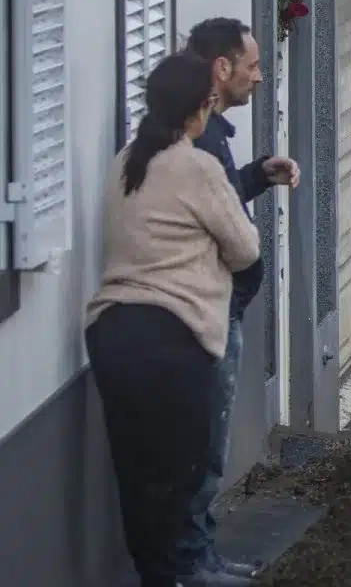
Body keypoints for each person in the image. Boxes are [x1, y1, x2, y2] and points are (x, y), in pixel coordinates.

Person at [88, 53, 262, 587]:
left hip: (112, 332)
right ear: (202, 106)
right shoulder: (197, 165)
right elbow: (246, 247)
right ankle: (184, 574)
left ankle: (156, 577)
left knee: (137, 476)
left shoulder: (126, 159)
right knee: (180, 474)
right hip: (174, 337)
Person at [183, 19, 299, 584]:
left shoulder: (211, 137)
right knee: (201, 450)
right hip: (208, 315)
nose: (259, 75)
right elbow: (219, 224)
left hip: (218, 311)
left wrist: (255, 176)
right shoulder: (201, 139)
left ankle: (202, 558)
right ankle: (195, 567)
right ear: (221, 69)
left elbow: (220, 201)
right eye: (251, 65)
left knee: (207, 447)